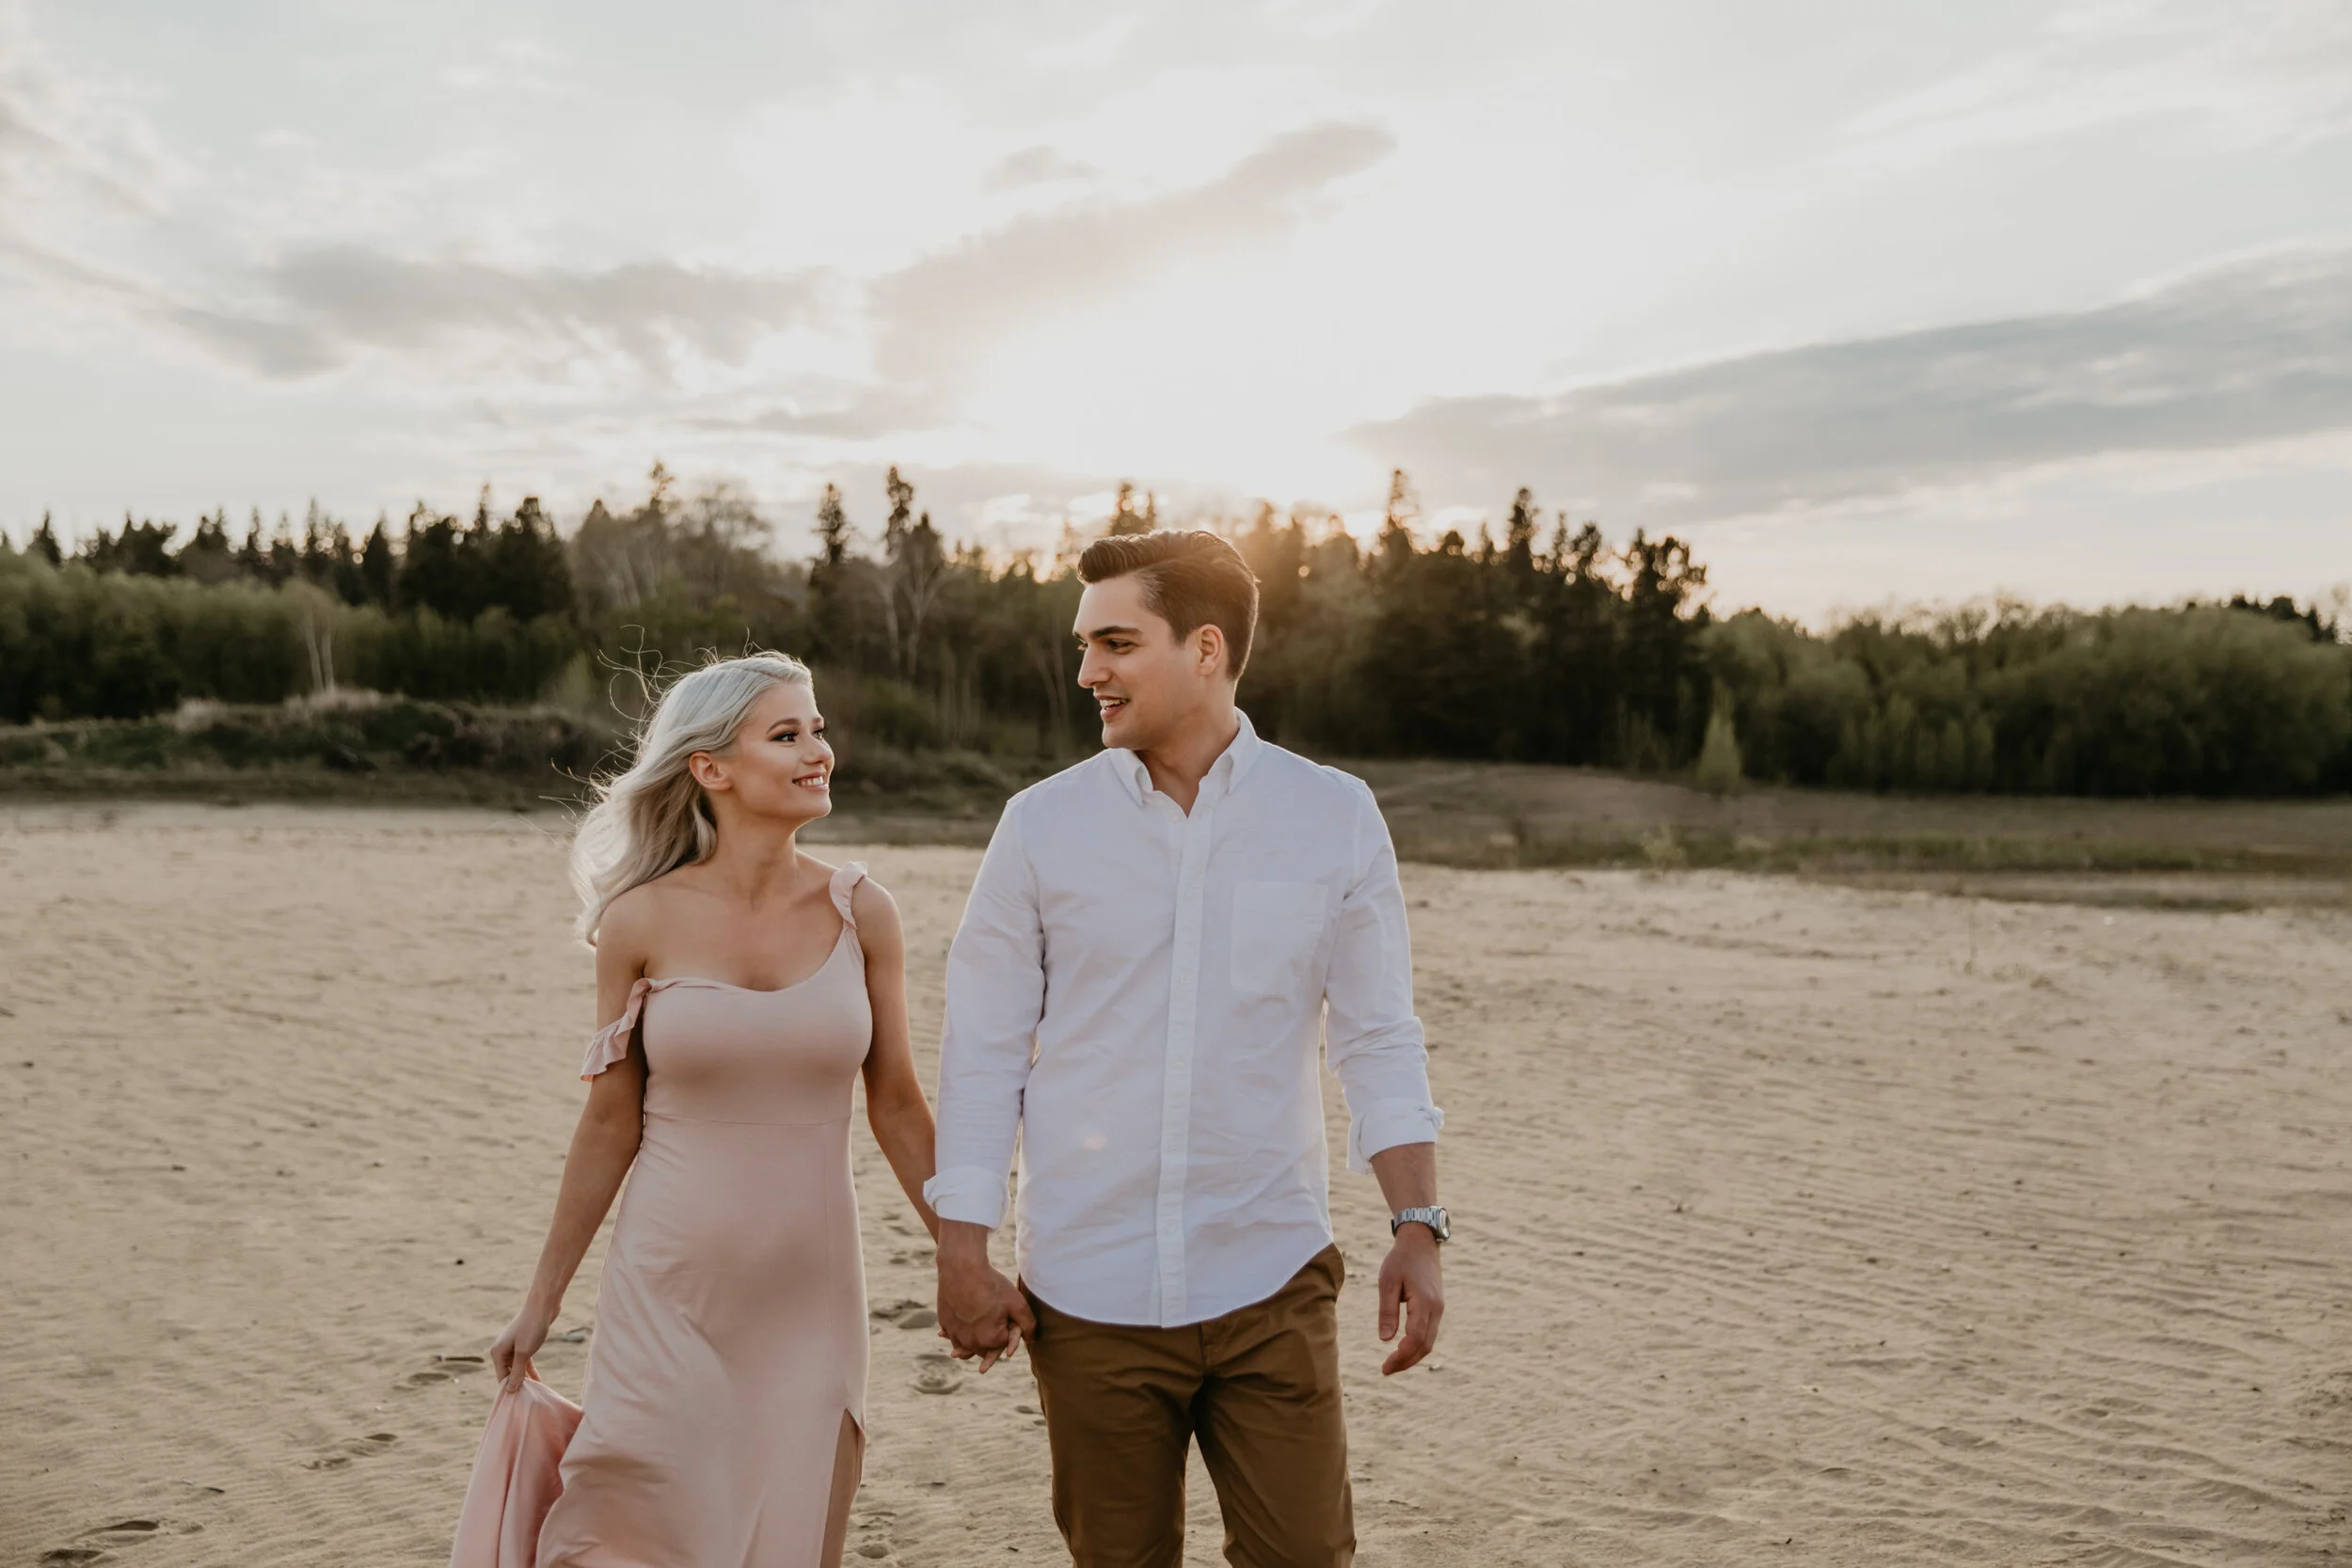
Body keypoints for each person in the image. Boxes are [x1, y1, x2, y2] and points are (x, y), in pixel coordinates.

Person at [929, 531, 1448, 1568]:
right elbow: (983, 1050)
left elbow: (1377, 1033)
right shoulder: (1039, 827)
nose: (1087, 671)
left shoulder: (1331, 816)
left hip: (1270, 1275)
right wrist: (961, 1249)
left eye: (1115, 642)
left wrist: (1418, 1221)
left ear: (1205, 648)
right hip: (1087, 1295)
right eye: (1083, 644)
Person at [478, 652, 939, 1568]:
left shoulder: (863, 912)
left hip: (810, 1300)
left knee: (791, 1543)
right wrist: (540, 1300)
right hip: (667, 1294)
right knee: (629, 1538)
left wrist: (963, 1256)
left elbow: (895, 1100)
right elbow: (610, 1121)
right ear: (709, 768)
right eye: (786, 733)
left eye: (818, 728)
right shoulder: (638, 920)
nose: (819, 750)